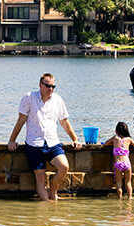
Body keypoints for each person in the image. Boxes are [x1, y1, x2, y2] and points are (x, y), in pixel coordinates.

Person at [7, 72, 81, 201]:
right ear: (40, 85)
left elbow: (64, 122)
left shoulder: (57, 100)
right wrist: (12, 140)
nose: (50, 89)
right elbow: (21, 120)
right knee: (40, 177)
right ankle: (46, 206)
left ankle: (53, 192)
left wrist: (75, 139)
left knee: (64, 167)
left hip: (52, 142)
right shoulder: (29, 97)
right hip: (34, 143)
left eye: (53, 87)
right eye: (47, 86)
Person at [104, 122, 134, 199]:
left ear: (116, 131)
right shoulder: (129, 139)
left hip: (118, 163)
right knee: (128, 182)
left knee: (119, 183)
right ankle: (130, 198)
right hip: (127, 163)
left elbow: (105, 144)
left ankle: (120, 198)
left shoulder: (115, 138)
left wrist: (113, 144)